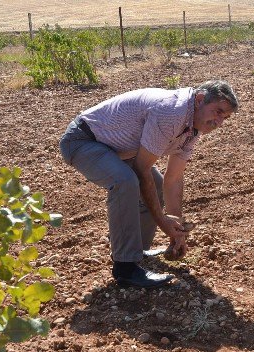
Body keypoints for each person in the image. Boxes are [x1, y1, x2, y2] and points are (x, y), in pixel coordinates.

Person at [60, 80, 238, 288]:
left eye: (224, 117)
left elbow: (174, 179)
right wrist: (163, 223)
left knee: (157, 184)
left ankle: (137, 253)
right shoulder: (172, 111)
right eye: (217, 111)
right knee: (125, 181)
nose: (219, 122)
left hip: (117, 150)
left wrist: (177, 233)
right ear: (199, 100)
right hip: (83, 141)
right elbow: (141, 169)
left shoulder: (193, 126)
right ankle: (125, 268)